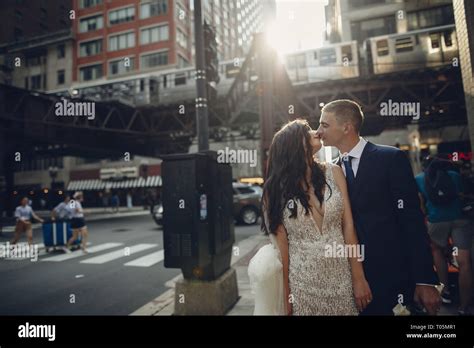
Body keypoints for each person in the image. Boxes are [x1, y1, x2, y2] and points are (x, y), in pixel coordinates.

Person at [316, 99, 441, 315]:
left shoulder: (390, 158)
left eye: (324, 125)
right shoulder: (331, 171)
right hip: (350, 280)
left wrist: (424, 280)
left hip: (394, 276)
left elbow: (412, 221)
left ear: (347, 127)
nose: (318, 131)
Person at [250, 119, 372, 315]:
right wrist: (286, 298)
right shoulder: (273, 191)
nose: (316, 132)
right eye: (307, 131)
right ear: (294, 144)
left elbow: (348, 226)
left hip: (342, 279)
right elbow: (283, 250)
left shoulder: (335, 172)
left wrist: (359, 278)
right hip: (303, 285)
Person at [416, 157, 473, 315]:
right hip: (460, 219)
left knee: (437, 252)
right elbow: (463, 195)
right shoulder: (454, 175)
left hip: (436, 221)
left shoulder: (419, 178)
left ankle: (445, 291)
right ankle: (464, 306)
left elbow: (420, 206)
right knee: (464, 262)